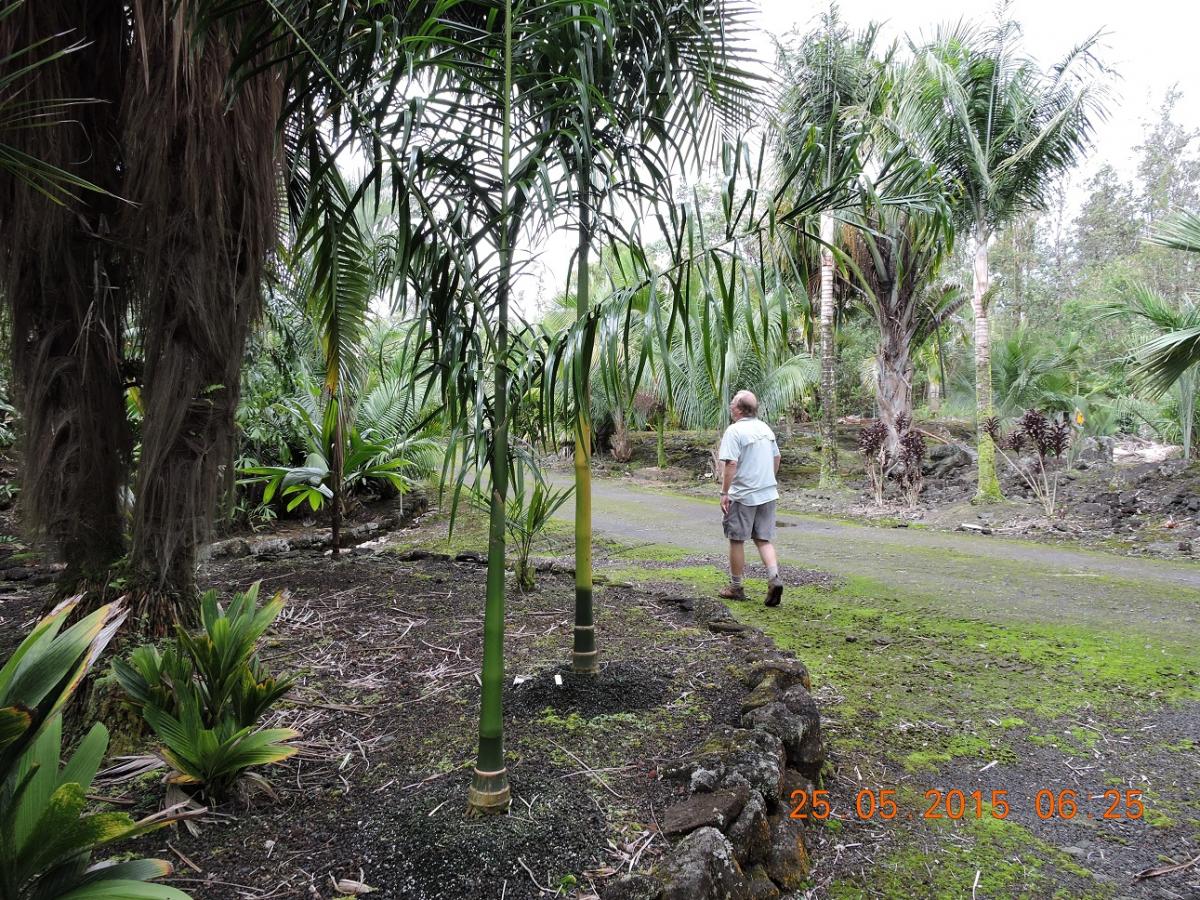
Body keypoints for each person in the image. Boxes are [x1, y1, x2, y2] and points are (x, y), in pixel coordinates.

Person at [717, 390, 784, 606]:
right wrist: (768, 479)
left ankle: (736, 587)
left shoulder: (735, 430)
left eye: (733, 402)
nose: (730, 405)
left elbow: (731, 464)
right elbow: (776, 457)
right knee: (763, 539)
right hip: (767, 492)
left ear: (739, 409)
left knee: (737, 539)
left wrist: (725, 492)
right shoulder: (764, 428)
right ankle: (774, 578)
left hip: (743, 494)